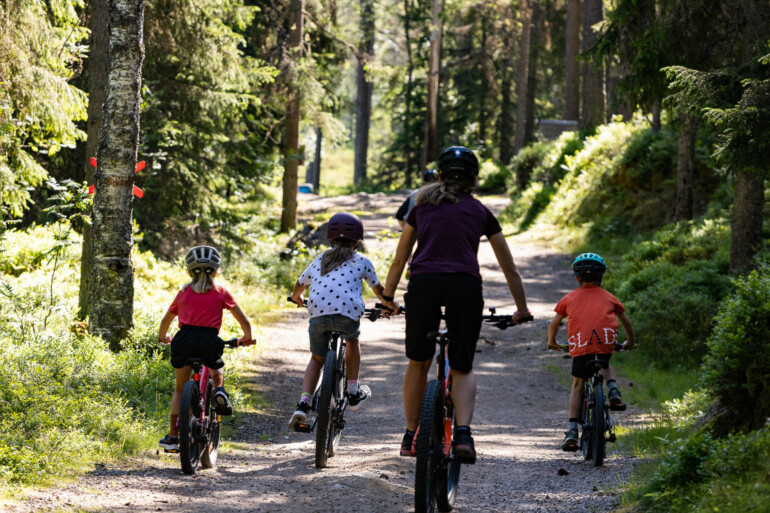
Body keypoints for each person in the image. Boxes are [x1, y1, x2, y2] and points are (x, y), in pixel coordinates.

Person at [381, 146, 531, 464]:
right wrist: (521, 309)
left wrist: (388, 299)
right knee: (462, 366)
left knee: (418, 362)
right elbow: (510, 268)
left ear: (439, 175)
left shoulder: (420, 207)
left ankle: (411, 435)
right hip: (464, 287)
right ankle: (463, 434)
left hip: (424, 285)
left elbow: (399, 259)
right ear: (474, 180)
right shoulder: (480, 212)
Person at [288, 212, 387, 429]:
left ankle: (303, 403)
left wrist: (297, 298)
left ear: (330, 239)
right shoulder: (362, 261)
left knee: (316, 359)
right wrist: (388, 304)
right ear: (357, 241)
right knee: (353, 341)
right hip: (347, 315)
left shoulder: (321, 258)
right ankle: (352, 391)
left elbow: (300, 284)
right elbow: (378, 290)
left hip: (318, 315)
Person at [157, 245, 253, 452]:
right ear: (216, 271)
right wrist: (247, 337)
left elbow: (167, 319)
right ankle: (219, 390)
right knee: (215, 363)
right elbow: (243, 319)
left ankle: (173, 436)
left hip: (183, 340)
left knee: (180, 388)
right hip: (209, 339)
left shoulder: (183, 292)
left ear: (189, 271)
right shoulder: (221, 292)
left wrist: (163, 336)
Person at [547, 252, 636, 451]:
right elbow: (626, 322)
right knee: (605, 359)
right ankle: (613, 389)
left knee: (578, 384)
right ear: (601, 277)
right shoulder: (609, 297)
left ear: (577, 278)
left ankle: (571, 430)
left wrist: (552, 341)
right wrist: (629, 341)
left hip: (581, 345)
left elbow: (554, 323)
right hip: (605, 341)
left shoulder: (569, 298)